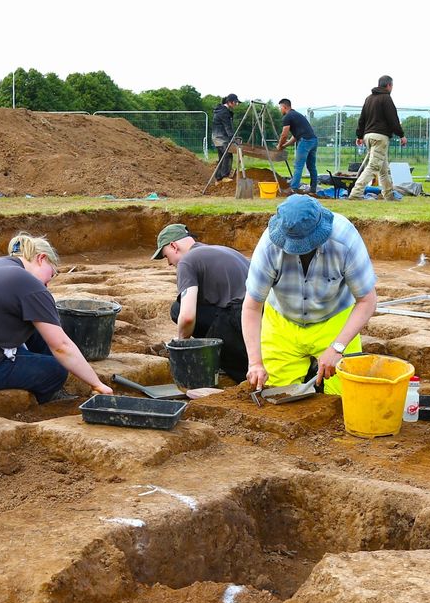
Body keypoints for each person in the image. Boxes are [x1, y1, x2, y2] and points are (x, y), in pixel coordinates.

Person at [0, 234, 113, 402]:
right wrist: (97, 384)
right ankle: (47, 396)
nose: (48, 283)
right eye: (52, 272)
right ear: (41, 258)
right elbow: (61, 347)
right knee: (56, 370)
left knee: (41, 328)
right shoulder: (29, 284)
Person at [242, 196, 378, 395]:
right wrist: (255, 362)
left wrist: (337, 347)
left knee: (345, 398)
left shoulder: (344, 240)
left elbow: (367, 300)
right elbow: (252, 306)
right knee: (276, 396)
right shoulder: (269, 247)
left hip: (334, 318)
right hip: (282, 322)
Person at [153, 223, 250, 382]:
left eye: (166, 256)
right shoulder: (224, 250)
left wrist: (181, 348)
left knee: (177, 309)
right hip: (263, 322)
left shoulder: (187, 261)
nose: (169, 263)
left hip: (238, 321)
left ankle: (230, 364)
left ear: (173, 246)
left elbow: (187, 317)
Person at [347, 76, 406, 201]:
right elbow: (393, 119)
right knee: (373, 167)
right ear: (389, 85)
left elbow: (362, 118)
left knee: (383, 169)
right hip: (380, 137)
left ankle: (389, 195)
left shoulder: (369, 99)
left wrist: (359, 135)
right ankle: (356, 193)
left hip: (368, 136)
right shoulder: (386, 98)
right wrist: (401, 135)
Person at [274, 99, 319, 194]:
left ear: (284, 107)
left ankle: (293, 188)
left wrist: (279, 145)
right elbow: (295, 136)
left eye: (280, 107)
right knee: (311, 166)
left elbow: (284, 135)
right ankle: (313, 189)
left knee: (298, 166)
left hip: (305, 141)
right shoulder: (297, 115)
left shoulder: (287, 117)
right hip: (313, 140)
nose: (280, 110)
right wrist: (285, 145)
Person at [211, 94, 240, 181]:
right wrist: (233, 139)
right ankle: (224, 176)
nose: (236, 104)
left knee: (222, 157)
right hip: (220, 138)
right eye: (235, 102)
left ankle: (218, 178)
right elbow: (228, 127)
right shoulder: (224, 112)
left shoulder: (221, 110)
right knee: (227, 154)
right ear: (230, 102)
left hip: (217, 137)